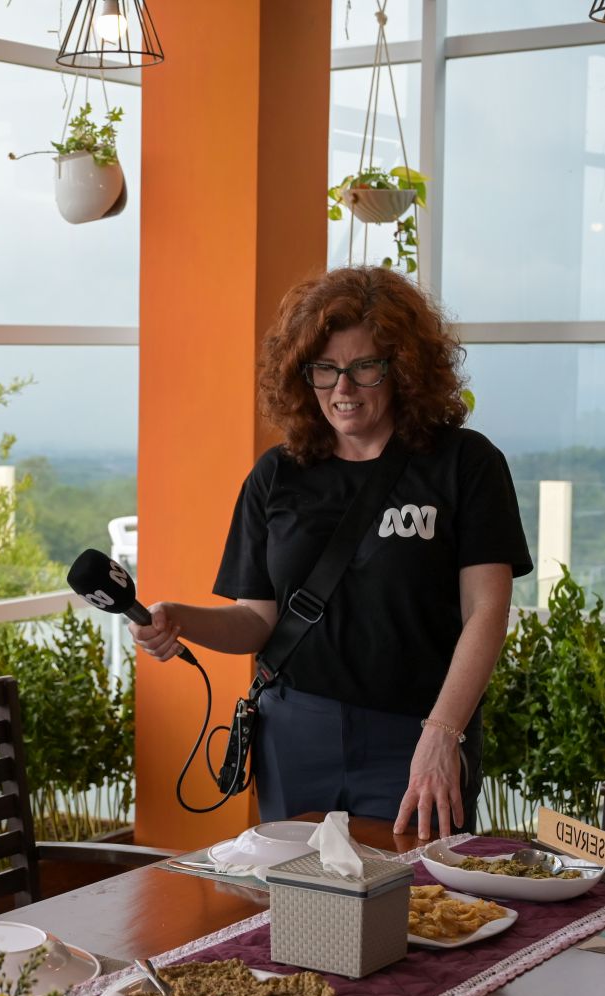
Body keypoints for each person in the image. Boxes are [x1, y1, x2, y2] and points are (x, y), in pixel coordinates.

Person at [130, 266, 531, 840]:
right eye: (324, 369)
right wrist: (178, 619)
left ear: (403, 369)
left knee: (416, 890)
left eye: (364, 367)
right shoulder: (277, 475)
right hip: (294, 735)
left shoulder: (465, 464)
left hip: (415, 734)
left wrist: (444, 733)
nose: (343, 389)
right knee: (292, 891)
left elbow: (487, 612)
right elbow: (257, 621)